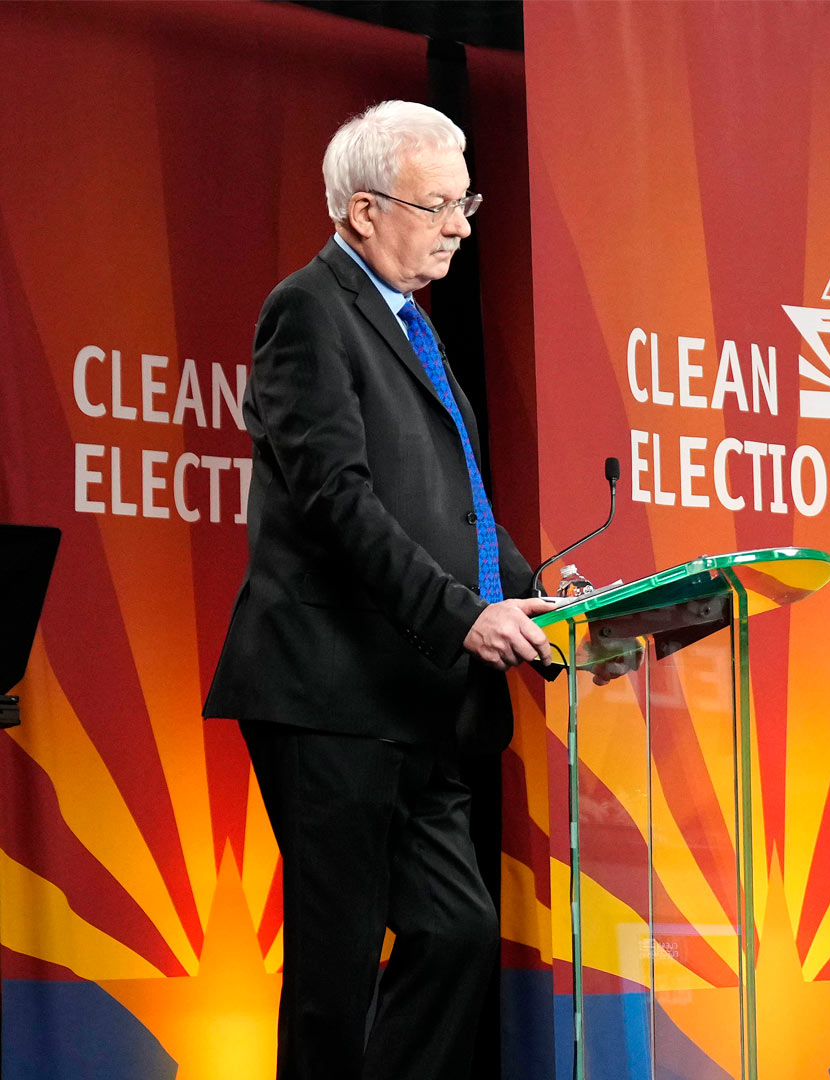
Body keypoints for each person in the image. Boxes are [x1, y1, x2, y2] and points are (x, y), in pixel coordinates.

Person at [204, 100, 557, 1080]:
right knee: (338, 963)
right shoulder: (309, 310)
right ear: (363, 211)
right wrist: (462, 617)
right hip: (330, 694)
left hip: (421, 699)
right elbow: (336, 502)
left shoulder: (414, 326)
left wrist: (550, 594)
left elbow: (456, 508)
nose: (461, 225)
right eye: (440, 204)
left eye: (467, 202)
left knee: (454, 934)